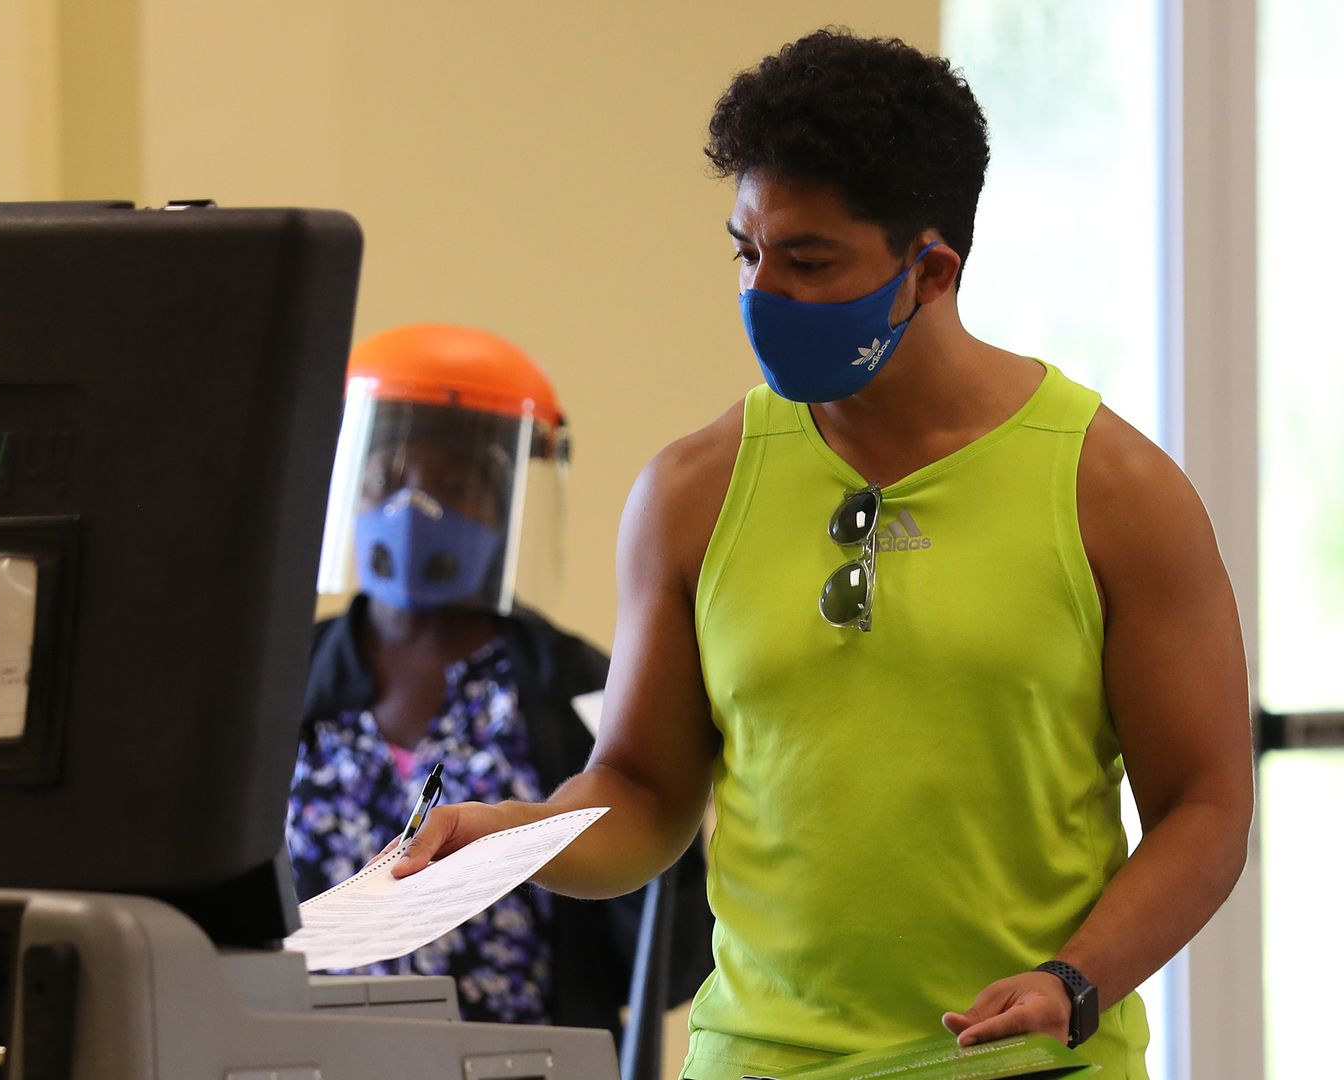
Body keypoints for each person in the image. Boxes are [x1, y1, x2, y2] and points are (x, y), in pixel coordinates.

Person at [391, 31, 1254, 1080]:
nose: (763, 292)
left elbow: (1207, 807)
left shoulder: (1116, 493)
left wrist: (1077, 979)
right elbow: (643, 791)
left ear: (929, 270)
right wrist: (510, 841)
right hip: (755, 1062)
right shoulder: (692, 491)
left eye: (808, 262)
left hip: (1030, 1064)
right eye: (746, 252)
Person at [288, 322, 712, 1040]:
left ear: (505, 509)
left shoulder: (574, 686)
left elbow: (666, 958)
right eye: (387, 479)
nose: (413, 509)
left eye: (452, 487)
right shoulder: (279, 680)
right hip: (304, 1056)